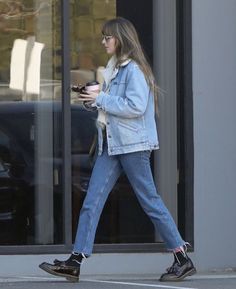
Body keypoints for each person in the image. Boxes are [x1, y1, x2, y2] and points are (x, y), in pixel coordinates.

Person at [39, 17, 196, 282]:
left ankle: (182, 258)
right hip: (112, 144)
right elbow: (113, 106)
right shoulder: (114, 70)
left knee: (150, 201)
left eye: (107, 37)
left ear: (121, 39)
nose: (103, 41)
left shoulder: (134, 70)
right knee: (92, 201)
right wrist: (92, 101)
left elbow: (134, 107)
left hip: (133, 146)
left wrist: (100, 98)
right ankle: (75, 261)